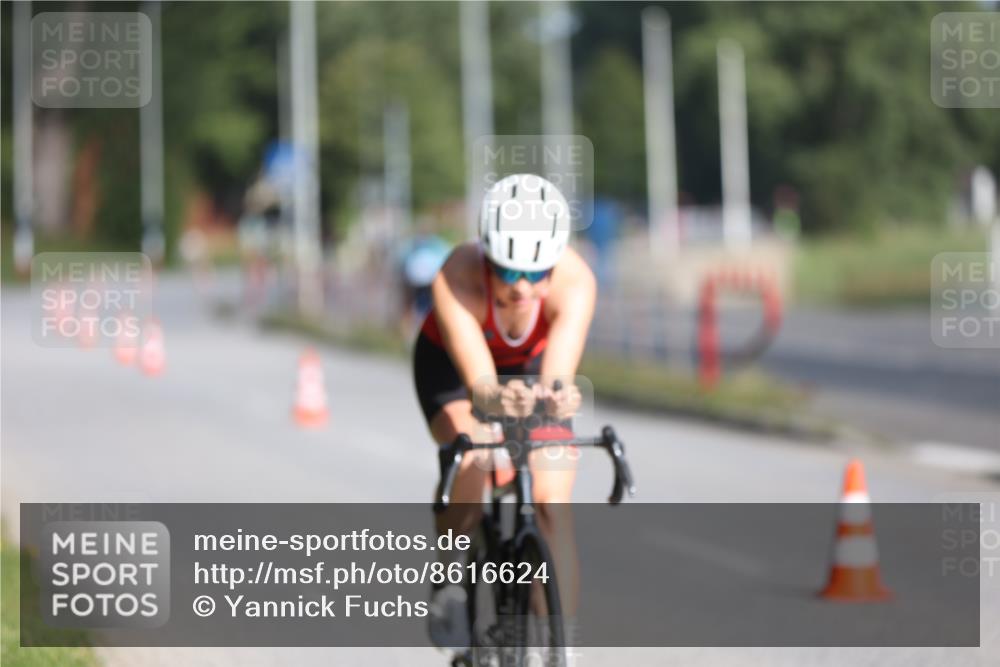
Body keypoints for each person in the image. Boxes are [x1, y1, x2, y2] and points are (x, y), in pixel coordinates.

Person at [412, 173, 596, 649]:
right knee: (474, 456)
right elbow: (481, 386)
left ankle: (559, 644)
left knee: (553, 500)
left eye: (537, 274)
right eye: (508, 271)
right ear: (486, 256)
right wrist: (495, 406)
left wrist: (558, 396)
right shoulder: (455, 277)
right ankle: (451, 573)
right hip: (456, 368)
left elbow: (557, 374)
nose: (521, 288)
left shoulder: (576, 282)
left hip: (528, 367)